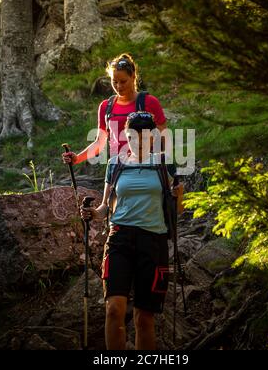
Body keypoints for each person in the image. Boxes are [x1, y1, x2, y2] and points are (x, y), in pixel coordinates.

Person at [80, 112, 180, 350]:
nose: (138, 142)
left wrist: (178, 196)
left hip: (153, 242)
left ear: (153, 136)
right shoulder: (116, 164)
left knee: (144, 317)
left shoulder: (165, 164)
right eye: (133, 136)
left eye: (144, 137)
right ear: (126, 135)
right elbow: (105, 206)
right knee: (114, 309)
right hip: (119, 239)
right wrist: (93, 214)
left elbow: (178, 210)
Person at [62, 53, 168, 165]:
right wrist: (77, 158)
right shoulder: (106, 107)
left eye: (123, 81)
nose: (118, 86)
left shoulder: (150, 102)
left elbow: (163, 139)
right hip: (117, 170)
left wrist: (164, 169)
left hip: (147, 168)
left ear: (133, 77)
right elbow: (99, 143)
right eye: (114, 82)